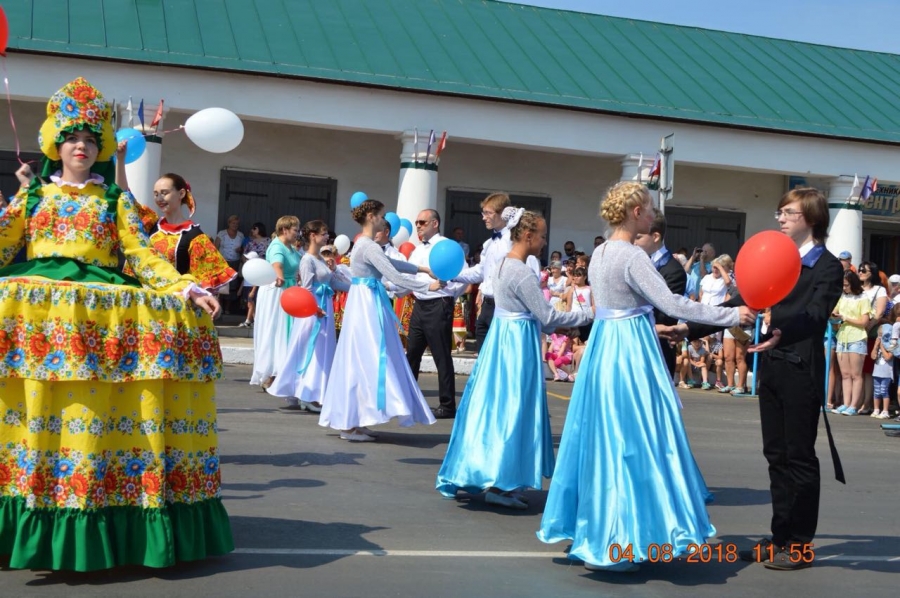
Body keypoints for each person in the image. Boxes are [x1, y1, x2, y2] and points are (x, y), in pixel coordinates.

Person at [0, 78, 231, 570]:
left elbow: (140, 254)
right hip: (40, 314)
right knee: (34, 407)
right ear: (55, 144)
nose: (80, 147)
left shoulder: (115, 201)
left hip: (96, 318)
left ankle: (96, 506)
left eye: (89, 140)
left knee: (90, 413)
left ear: (100, 147)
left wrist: (184, 287)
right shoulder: (33, 196)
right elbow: (3, 246)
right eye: (71, 139)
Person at [537, 181, 752, 573]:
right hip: (629, 354)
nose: (655, 214)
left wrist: (651, 327)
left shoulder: (601, 251)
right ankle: (621, 537)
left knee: (602, 438)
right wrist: (730, 315)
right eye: (651, 208)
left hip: (608, 345)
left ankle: (597, 529)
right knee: (634, 440)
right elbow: (671, 302)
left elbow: (613, 309)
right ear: (636, 213)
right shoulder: (632, 255)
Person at [683, 187, 844, 571]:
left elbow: (817, 314)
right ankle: (780, 536)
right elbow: (742, 300)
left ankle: (800, 543)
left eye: (788, 212)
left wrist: (780, 330)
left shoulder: (826, 265)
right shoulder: (776, 258)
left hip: (801, 365)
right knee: (775, 455)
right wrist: (686, 327)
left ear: (811, 217)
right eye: (779, 212)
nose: (780, 218)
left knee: (799, 456)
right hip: (770, 364)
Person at [437, 210, 592, 509]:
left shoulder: (504, 264)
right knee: (513, 407)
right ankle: (502, 482)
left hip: (503, 336)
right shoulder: (520, 271)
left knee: (492, 407)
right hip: (516, 342)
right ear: (528, 235)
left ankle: (488, 473)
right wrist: (587, 314)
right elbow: (546, 316)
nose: (545, 242)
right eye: (543, 236)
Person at [319, 199, 442, 442]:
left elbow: (391, 264)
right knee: (368, 356)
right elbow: (392, 273)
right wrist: (429, 285)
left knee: (363, 357)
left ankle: (356, 419)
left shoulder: (364, 244)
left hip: (365, 300)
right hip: (366, 303)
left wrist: (421, 270)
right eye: (382, 215)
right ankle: (350, 424)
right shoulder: (368, 245)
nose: (385, 220)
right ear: (372, 217)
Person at [269, 220, 350, 412]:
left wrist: (357, 287)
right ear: (313, 236)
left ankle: (312, 392)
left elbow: (333, 284)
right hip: (313, 310)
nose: (327, 237)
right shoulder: (307, 260)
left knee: (320, 350)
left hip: (324, 307)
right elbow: (305, 289)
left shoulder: (321, 260)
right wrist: (314, 309)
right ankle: (307, 394)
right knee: (311, 349)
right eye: (323, 234)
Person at [454, 193, 540, 353]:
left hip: (504, 307)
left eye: (488, 213)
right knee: (483, 359)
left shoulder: (515, 242)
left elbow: (531, 270)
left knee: (500, 358)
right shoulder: (489, 243)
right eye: (483, 213)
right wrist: (453, 275)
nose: (483, 217)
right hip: (487, 306)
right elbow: (480, 272)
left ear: (502, 213)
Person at [405, 209, 465, 419]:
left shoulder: (447, 246)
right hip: (420, 304)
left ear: (435, 224)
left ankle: (447, 405)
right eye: (416, 222)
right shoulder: (418, 249)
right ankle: (407, 399)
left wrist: (448, 293)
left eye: (422, 222)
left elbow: (462, 276)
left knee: (441, 356)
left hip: (439, 304)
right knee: (412, 354)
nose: (418, 226)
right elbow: (408, 272)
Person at [135, 173, 237, 291]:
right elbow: (125, 199)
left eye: (164, 193)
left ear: (181, 193)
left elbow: (203, 282)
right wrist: (120, 161)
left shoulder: (194, 236)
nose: (159, 199)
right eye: (156, 194)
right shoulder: (150, 224)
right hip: (145, 298)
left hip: (174, 302)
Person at [634, 208, 687, 378]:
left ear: (655, 237)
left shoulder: (673, 271)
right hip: (634, 349)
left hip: (657, 353)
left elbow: (665, 315)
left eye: (638, 237)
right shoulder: (636, 264)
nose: (633, 242)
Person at [250, 216, 301, 390]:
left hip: (289, 289)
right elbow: (277, 264)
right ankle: (271, 374)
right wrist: (279, 277)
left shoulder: (291, 248)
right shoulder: (277, 246)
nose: (298, 233)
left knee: (286, 332)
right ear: (284, 230)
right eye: (295, 230)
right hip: (278, 292)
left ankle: (281, 373)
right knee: (277, 331)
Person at [832, 271, 871, 416]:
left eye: (846, 285)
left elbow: (864, 322)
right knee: (845, 374)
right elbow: (835, 311)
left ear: (853, 283)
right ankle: (846, 403)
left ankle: (854, 405)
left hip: (857, 337)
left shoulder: (863, 297)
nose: (844, 287)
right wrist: (833, 314)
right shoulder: (842, 296)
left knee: (856, 374)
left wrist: (846, 318)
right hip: (842, 336)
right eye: (843, 285)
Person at [239, 222, 271, 328]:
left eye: (255, 228)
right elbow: (244, 254)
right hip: (252, 271)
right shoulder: (250, 242)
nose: (252, 230)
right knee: (250, 299)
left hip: (264, 270)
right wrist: (247, 265)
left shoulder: (268, 241)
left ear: (260, 229)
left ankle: (256, 320)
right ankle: (252, 319)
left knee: (258, 297)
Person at [214, 214, 245, 313]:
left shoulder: (241, 235)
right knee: (222, 285)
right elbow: (215, 248)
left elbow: (244, 250)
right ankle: (219, 307)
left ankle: (227, 309)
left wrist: (240, 250)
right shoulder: (221, 234)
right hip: (223, 263)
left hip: (235, 263)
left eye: (237, 223)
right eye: (233, 223)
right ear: (229, 223)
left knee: (232, 286)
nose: (235, 225)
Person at [871, 321, 894, 419]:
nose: (880, 337)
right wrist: (876, 346)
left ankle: (885, 411)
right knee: (876, 391)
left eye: (882, 334)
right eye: (879, 334)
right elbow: (872, 357)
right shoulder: (877, 342)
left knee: (884, 391)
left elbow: (888, 357)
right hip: (877, 371)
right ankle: (876, 409)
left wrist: (882, 346)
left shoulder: (893, 344)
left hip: (886, 372)